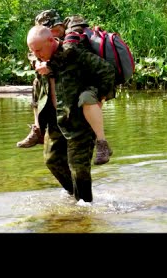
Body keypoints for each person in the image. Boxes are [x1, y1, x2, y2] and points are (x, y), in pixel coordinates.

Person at [26, 24, 115, 202]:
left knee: (78, 168)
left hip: (79, 122)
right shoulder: (41, 59)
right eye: (32, 51)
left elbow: (107, 72)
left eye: (39, 50)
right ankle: (76, 198)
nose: (36, 55)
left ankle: (85, 210)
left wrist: (99, 97)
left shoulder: (74, 54)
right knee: (52, 161)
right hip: (56, 120)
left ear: (51, 40)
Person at [16, 9, 114, 165]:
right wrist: (39, 62)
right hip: (60, 96)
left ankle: (102, 143)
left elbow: (69, 52)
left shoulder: (73, 34)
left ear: (59, 25)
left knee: (87, 99)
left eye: (53, 29)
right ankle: (37, 129)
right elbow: (33, 55)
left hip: (86, 82)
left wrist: (102, 96)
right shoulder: (43, 42)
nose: (53, 32)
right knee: (37, 84)